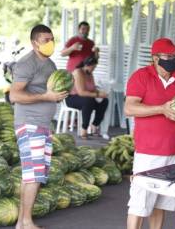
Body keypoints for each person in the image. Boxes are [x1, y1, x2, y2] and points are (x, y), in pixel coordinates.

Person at [124, 38, 175, 229]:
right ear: (155, 58)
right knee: (139, 203)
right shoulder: (141, 76)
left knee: (160, 204)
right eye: (168, 56)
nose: (173, 59)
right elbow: (130, 108)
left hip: (173, 152)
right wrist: (162, 109)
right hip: (148, 154)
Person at [10, 24, 68, 229]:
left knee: (33, 175)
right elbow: (14, 95)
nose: (50, 43)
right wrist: (45, 96)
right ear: (34, 42)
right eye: (45, 40)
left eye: (52, 39)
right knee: (33, 175)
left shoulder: (50, 65)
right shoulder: (27, 63)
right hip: (30, 125)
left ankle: (22, 223)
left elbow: (49, 92)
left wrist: (57, 96)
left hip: (43, 125)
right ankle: (26, 222)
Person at [66, 55, 109, 139]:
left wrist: (100, 93)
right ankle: (84, 130)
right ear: (86, 65)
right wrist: (97, 94)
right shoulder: (78, 72)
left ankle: (94, 125)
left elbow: (92, 89)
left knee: (104, 101)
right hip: (72, 98)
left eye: (94, 68)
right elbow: (81, 92)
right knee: (88, 101)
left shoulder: (89, 73)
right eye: (92, 67)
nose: (93, 69)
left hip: (85, 97)